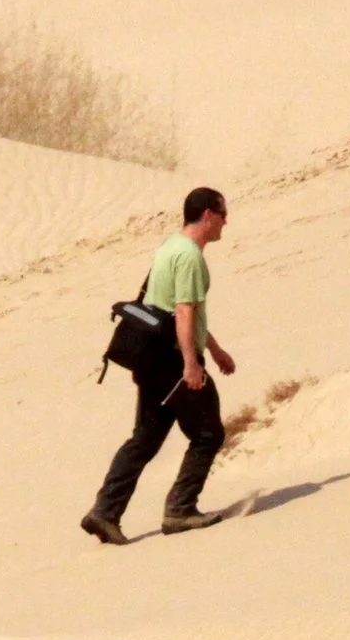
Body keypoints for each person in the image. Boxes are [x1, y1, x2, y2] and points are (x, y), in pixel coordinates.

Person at [83, 187, 237, 544]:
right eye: (223, 213)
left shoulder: (171, 246)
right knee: (208, 433)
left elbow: (172, 309)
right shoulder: (191, 258)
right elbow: (183, 312)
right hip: (173, 361)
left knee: (145, 439)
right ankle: (180, 510)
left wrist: (214, 349)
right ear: (208, 215)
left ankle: (105, 512)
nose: (227, 221)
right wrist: (191, 364)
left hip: (151, 358)